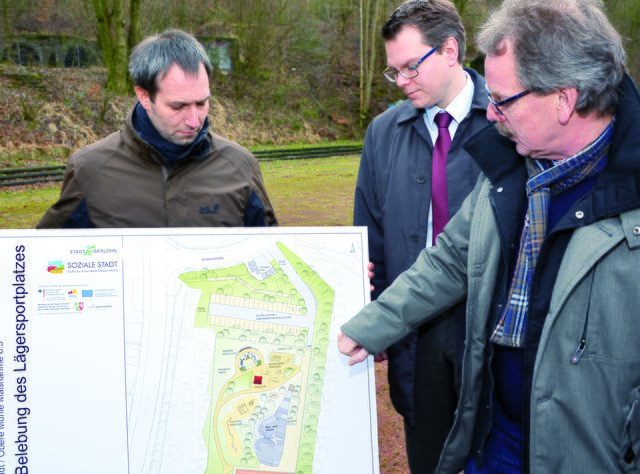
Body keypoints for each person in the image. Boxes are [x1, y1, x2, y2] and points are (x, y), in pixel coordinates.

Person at [339, 0, 640, 472]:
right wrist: (373, 324)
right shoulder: (507, 169)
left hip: (588, 453)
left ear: (565, 98)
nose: (492, 114)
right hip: (496, 435)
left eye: (503, 100)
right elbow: (452, 260)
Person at [353, 0, 488, 471]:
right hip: (414, 333)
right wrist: (377, 323)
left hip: (489, 330)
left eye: (412, 66)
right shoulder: (383, 132)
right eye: (394, 72)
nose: (403, 80)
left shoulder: (508, 122)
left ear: (450, 51)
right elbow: (368, 239)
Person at [37, 29, 277, 229]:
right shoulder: (89, 170)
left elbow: (273, 257)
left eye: (202, 103)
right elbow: (47, 259)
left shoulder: (241, 166)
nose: (195, 121)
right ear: (143, 96)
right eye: (178, 106)